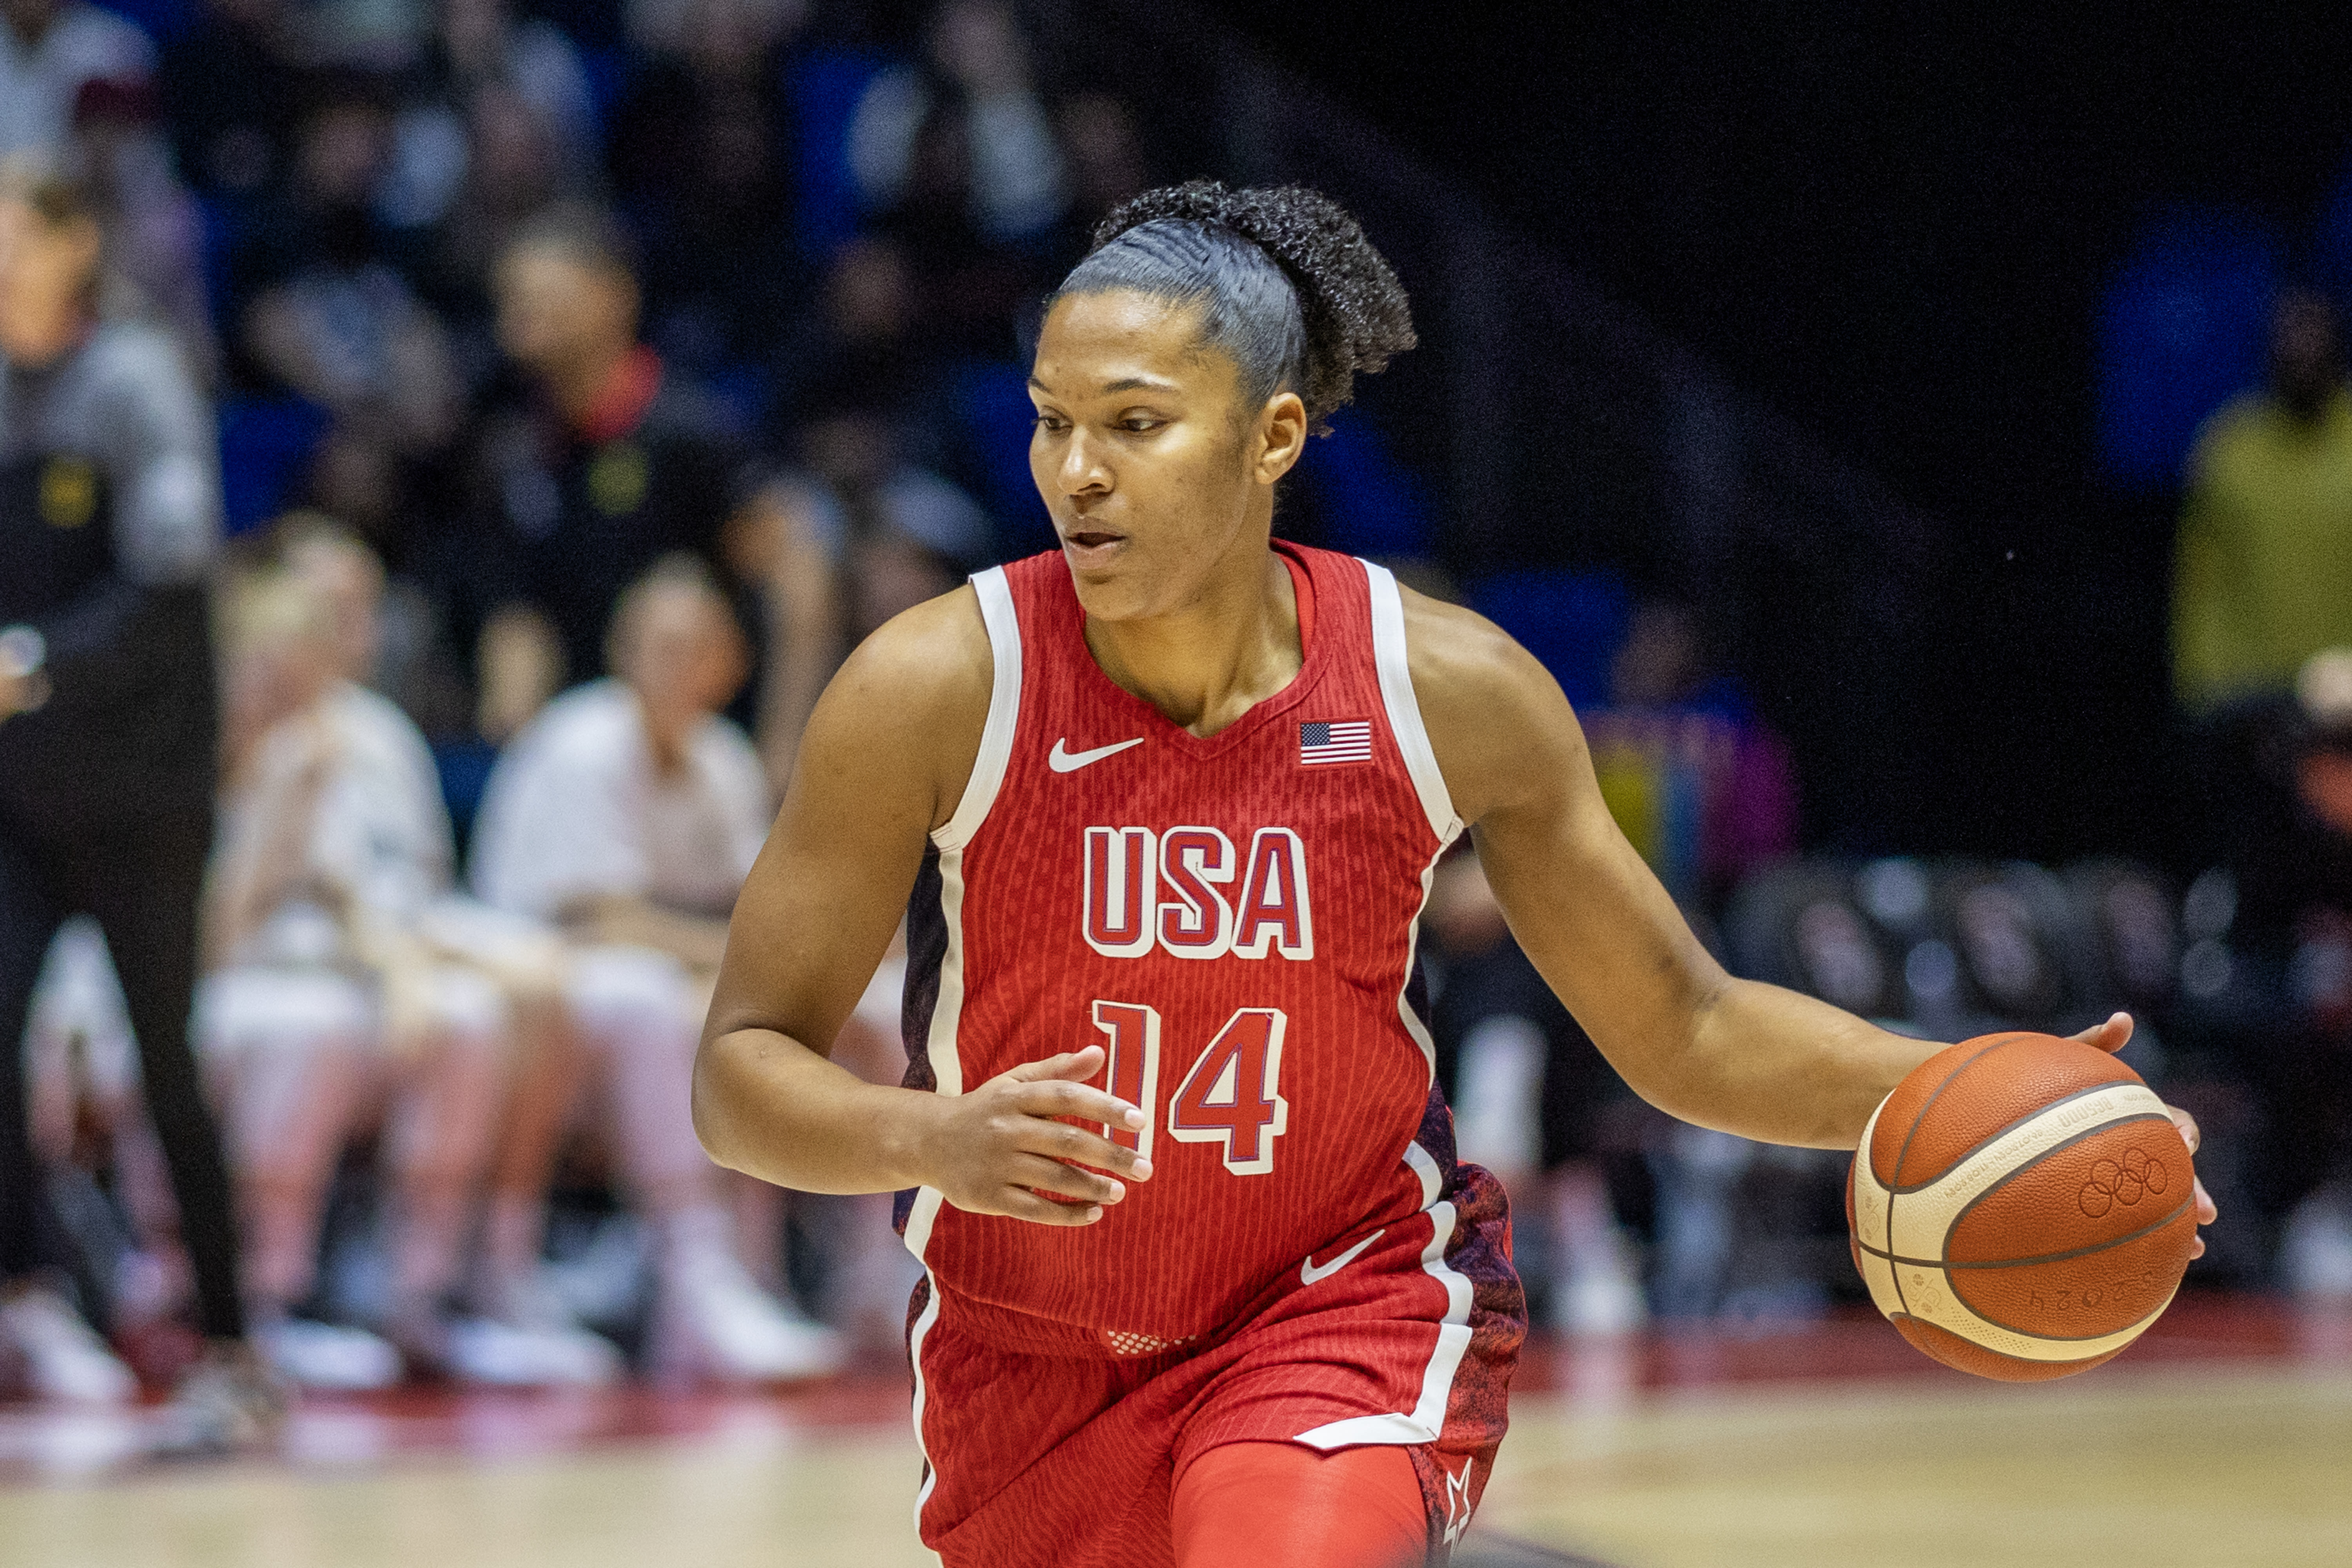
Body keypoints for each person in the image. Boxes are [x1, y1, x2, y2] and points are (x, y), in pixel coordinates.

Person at [692, 181, 2220, 1568]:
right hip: (1025, 1357)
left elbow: (1682, 1024)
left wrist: (1973, 1091)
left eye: (1135, 425)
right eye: (1050, 421)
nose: (1076, 472)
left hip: (1337, 1301)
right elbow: (739, 1072)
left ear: (1273, 436)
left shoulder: (1449, 689)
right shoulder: (933, 686)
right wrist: (930, 1137)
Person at [0, 163, 276, 1443]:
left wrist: (35, 663)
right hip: (21, 788)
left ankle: (231, 1347)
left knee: (168, 1063)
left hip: (141, 789)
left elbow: (169, 594)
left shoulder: (136, 382)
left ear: (74, 246)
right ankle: (31, 1299)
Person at [470, 557, 844, 1382]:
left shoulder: (719, 754)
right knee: (661, 1006)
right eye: (659, 645)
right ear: (623, 652)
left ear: (729, 663)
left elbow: (759, 901)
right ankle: (694, 1277)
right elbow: (602, 918)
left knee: (869, 1008)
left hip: (650, 970)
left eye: (696, 646)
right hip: (528, 970)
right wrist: (742, 961)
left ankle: (858, 1278)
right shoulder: (582, 741)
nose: (676, 664)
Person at [198, 566, 512, 1388]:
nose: (284, 676)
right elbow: (213, 938)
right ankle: (266, 1300)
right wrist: (273, 817)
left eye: (300, 655)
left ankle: (415, 1293)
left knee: (469, 1019)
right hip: (210, 988)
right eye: (265, 657)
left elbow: (368, 896)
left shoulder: (345, 743)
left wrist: (401, 967)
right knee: (314, 1025)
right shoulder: (194, 744)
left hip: (330, 976)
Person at [443, 209, 832, 787]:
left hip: (707, 757)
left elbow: (800, 581)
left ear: (615, 296)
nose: (521, 313)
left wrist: (784, 748)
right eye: (512, 298)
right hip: (584, 763)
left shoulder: (692, 431)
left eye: (544, 294)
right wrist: (516, 748)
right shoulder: (511, 450)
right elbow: (518, 614)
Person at [2174, 289, 2352, 711]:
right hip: (2249, 696)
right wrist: (2197, 686)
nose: (2303, 350)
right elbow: (2198, 582)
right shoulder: (2227, 450)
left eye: (2314, 335)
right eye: (2290, 336)